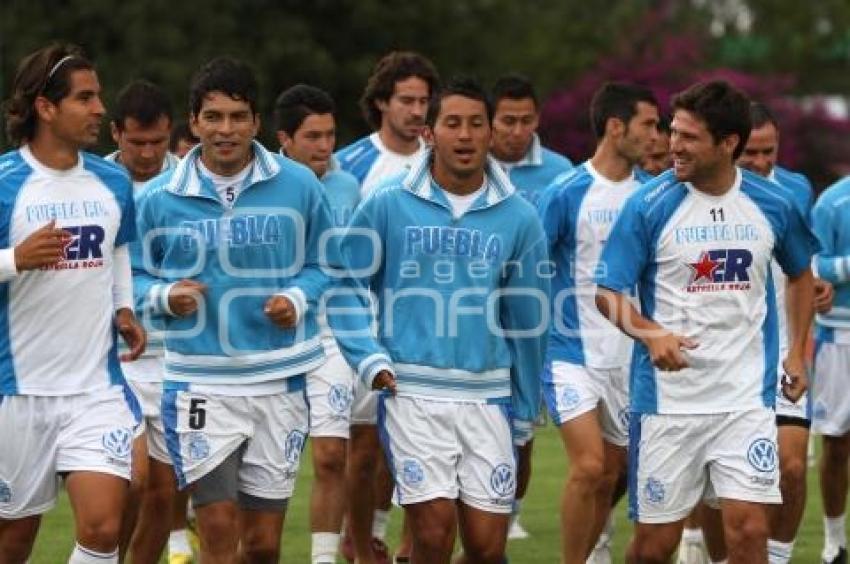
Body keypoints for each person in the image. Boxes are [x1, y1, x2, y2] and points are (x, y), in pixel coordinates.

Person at [595, 80, 817, 564]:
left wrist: (797, 352)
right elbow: (607, 292)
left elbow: (800, 276)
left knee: (750, 533)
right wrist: (650, 333)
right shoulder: (648, 206)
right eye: (673, 132)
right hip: (667, 405)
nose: (671, 145)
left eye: (688, 137)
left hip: (745, 401)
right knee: (655, 548)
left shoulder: (774, 204)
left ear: (728, 143)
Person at [337, 75, 549, 563]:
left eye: (477, 124)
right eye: (452, 123)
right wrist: (368, 357)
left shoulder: (519, 217)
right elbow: (345, 284)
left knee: (486, 547)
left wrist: (523, 411)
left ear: (490, 134)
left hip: (488, 397)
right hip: (413, 392)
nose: (466, 135)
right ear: (429, 133)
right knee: (433, 535)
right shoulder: (388, 203)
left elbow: (529, 322)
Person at [134, 56, 335, 564]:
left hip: (280, 380)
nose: (226, 129)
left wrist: (296, 298)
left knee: (264, 546)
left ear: (257, 123)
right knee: (220, 530)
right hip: (200, 382)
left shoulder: (299, 186)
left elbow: (326, 262)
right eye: (214, 117)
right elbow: (129, 277)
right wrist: (162, 297)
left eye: (238, 116)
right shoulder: (160, 196)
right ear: (195, 121)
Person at [0, 43, 145, 564]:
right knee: (12, 542)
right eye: (85, 98)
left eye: (98, 96)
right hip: (16, 394)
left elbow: (120, 250)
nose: (100, 109)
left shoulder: (112, 182)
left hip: (94, 389)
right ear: (45, 107)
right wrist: (15, 258)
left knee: (105, 527)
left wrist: (124, 308)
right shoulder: (5, 184)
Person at [538, 82, 659, 564]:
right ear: (616, 127)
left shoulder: (653, 196)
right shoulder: (564, 193)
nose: (657, 135)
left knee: (614, 474)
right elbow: (527, 266)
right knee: (589, 467)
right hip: (569, 353)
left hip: (630, 357)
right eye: (648, 124)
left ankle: (596, 549)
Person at [335, 50, 440, 564]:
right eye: (407, 100)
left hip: (427, 322)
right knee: (365, 447)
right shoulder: (354, 163)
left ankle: (405, 544)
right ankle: (358, 540)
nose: (418, 110)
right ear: (381, 102)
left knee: (420, 444)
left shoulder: (444, 160)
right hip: (368, 324)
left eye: (424, 101)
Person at [105, 79, 195, 564]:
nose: (147, 152)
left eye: (157, 141)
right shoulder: (97, 183)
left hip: (180, 358)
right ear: (115, 132)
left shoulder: (191, 183)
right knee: (131, 480)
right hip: (115, 358)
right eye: (136, 142)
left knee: (165, 491)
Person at [274, 83, 361, 564]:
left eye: (330, 134)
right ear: (285, 139)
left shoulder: (348, 185)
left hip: (330, 338)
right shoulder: (264, 186)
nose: (325, 146)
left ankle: (323, 558)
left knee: (331, 455)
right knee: (271, 466)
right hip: (271, 339)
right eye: (313, 136)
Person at [810, 154, 850, 564]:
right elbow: (813, 263)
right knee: (836, 444)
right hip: (840, 334)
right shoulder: (833, 202)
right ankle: (834, 541)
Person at [490, 73, 573, 206]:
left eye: (526, 121)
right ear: (490, 120)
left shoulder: (561, 171)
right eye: (509, 121)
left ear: (537, 119)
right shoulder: (473, 166)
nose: (518, 132)